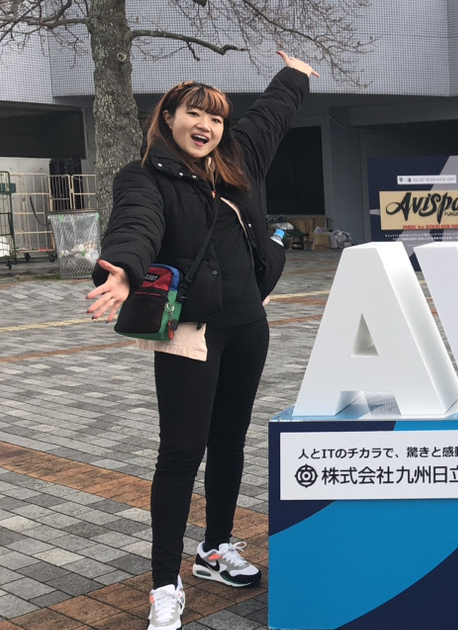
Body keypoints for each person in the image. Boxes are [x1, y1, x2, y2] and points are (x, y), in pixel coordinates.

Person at [86, 52, 318, 630]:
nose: (205, 125)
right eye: (193, 113)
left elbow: (270, 117)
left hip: (248, 326)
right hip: (191, 330)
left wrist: (295, 76)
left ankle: (215, 549)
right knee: (182, 452)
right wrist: (123, 269)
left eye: (215, 117)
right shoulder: (144, 177)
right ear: (168, 118)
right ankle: (165, 583)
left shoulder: (237, 160)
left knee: (230, 440)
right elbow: (136, 223)